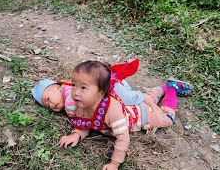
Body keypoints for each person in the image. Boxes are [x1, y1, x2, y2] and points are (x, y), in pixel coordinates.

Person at [56, 60, 193, 170]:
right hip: (132, 107)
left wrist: (114, 164)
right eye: (74, 84)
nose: (75, 92)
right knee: (149, 98)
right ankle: (160, 88)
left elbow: (123, 139)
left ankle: (171, 89)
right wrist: (76, 134)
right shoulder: (81, 104)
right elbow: (85, 123)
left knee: (168, 118)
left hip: (144, 115)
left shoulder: (112, 112)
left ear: (101, 93)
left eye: (83, 87)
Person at [32, 59, 146, 117]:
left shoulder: (67, 90)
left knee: (129, 99)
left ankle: (144, 97)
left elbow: (71, 104)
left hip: (111, 87)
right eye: (48, 106)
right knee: (122, 104)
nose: (51, 105)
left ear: (56, 87)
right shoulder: (67, 93)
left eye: (48, 99)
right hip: (107, 95)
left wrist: (71, 112)